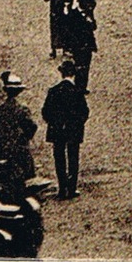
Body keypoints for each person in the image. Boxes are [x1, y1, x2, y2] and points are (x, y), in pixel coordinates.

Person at [41, 62, 89, 199]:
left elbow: (46, 111)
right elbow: (84, 112)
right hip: (73, 131)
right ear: (73, 74)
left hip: (57, 130)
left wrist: (54, 123)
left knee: (59, 158)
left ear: (61, 73)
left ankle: (62, 189)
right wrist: (78, 124)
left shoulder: (54, 91)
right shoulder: (77, 91)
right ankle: (72, 188)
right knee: (73, 158)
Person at [0, 71, 38, 187]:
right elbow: (31, 127)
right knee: (21, 177)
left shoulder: (0, 109)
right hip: (19, 148)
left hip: (4, 148)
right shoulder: (22, 110)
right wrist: (25, 137)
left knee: (6, 177)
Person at [64, 0, 98, 90]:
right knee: (78, 59)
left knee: (86, 60)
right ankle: (78, 84)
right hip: (73, 24)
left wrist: (86, 10)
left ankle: (83, 86)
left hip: (84, 29)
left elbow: (93, 4)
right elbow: (66, 4)